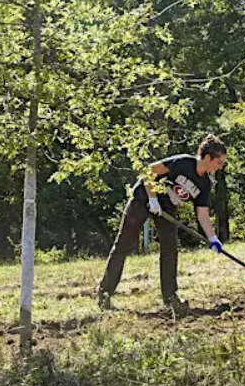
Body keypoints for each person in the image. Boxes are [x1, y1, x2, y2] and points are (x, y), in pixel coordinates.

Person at [97, 134, 228, 316]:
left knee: (170, 248)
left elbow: (202, 214)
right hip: (143, 199)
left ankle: (170, 298)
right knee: (124, 244)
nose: (220, 167)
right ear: (207, 158)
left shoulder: (204, 183)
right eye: (219, 162)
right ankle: (105, 293)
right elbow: (150, 171)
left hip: (166, 210)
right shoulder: (183, 163)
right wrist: (152, 200)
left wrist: (213, 238)